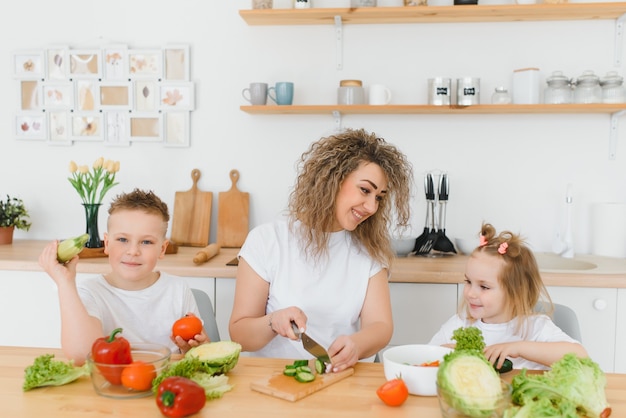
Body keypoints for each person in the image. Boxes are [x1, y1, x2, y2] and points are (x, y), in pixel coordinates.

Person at [229, 128, 414, 373]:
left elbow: (380, 326)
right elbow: (240, 334)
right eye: (365, 190)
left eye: (379, 197)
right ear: (333, 180)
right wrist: (273, 322)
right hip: (274, 379)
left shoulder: (369, 251)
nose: (371, 206)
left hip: (341, 378)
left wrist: (356, 345)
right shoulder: (267, 240)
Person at [39, 189, 208, 365]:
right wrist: (65, 282)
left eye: (146, 242)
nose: (133, 251)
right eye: (122, 240)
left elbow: (202, 351)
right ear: (107, 243)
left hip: (164, 381)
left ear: (162, 249)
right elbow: (82, 355)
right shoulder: (90, 292)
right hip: (111, 383)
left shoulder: (178, 289)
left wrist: (196, 347)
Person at [429, 223, 588, 370]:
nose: (470, 293)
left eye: (484, 287)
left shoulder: (535, 328)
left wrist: (518, 348)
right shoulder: (459, 324)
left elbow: (581, 358)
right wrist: (447, 352)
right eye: (468, 282)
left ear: (515, 292)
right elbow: (425, 358)